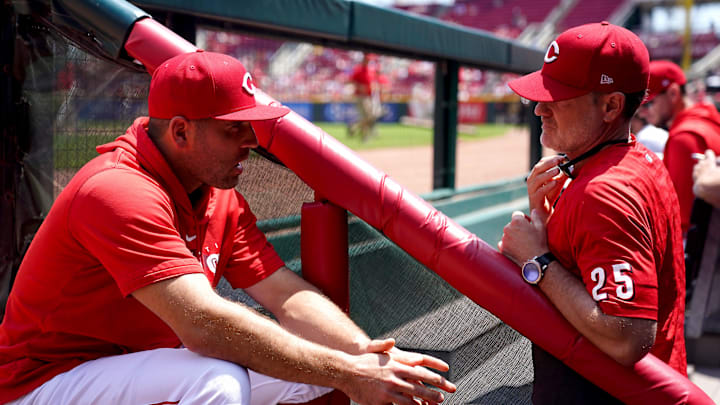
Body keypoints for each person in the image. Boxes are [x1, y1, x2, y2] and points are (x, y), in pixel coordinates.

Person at [0, 51, 456, 405]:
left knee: (307, 375)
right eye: (231, 130)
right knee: (219, 379)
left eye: (249, 127)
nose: (250, 142)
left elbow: (286, 295)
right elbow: (203, 325)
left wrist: (365, 355)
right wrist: (348, 373)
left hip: (137, 369)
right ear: (180, 132)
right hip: (46, 382)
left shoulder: (219, 196)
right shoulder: (117, 190)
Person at [498, 22, 687, 404]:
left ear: (611, 106)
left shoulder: (604, 191)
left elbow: (627, 337)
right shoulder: (636, 158)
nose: (539, 108)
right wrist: (546, 221)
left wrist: (537, 261)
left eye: (558, 96)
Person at [644, 60, 720, 235]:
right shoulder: (706, 116)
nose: (644, 111)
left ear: (673, 93)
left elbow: (683, 219)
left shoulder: (684, 138)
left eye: (649, 103)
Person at [348, 54, 385, 142]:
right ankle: (364, 136)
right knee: (368, 116)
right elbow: (351, 81)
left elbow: (373, 82)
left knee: (370, 116)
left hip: (369, 97)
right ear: (363, 60)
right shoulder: (358, 70)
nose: (368, 62)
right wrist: (359, 86)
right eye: (366, 60)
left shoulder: (370, 71)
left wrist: (374, 87)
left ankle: (355, 126)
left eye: (369, 60)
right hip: (361, 97)